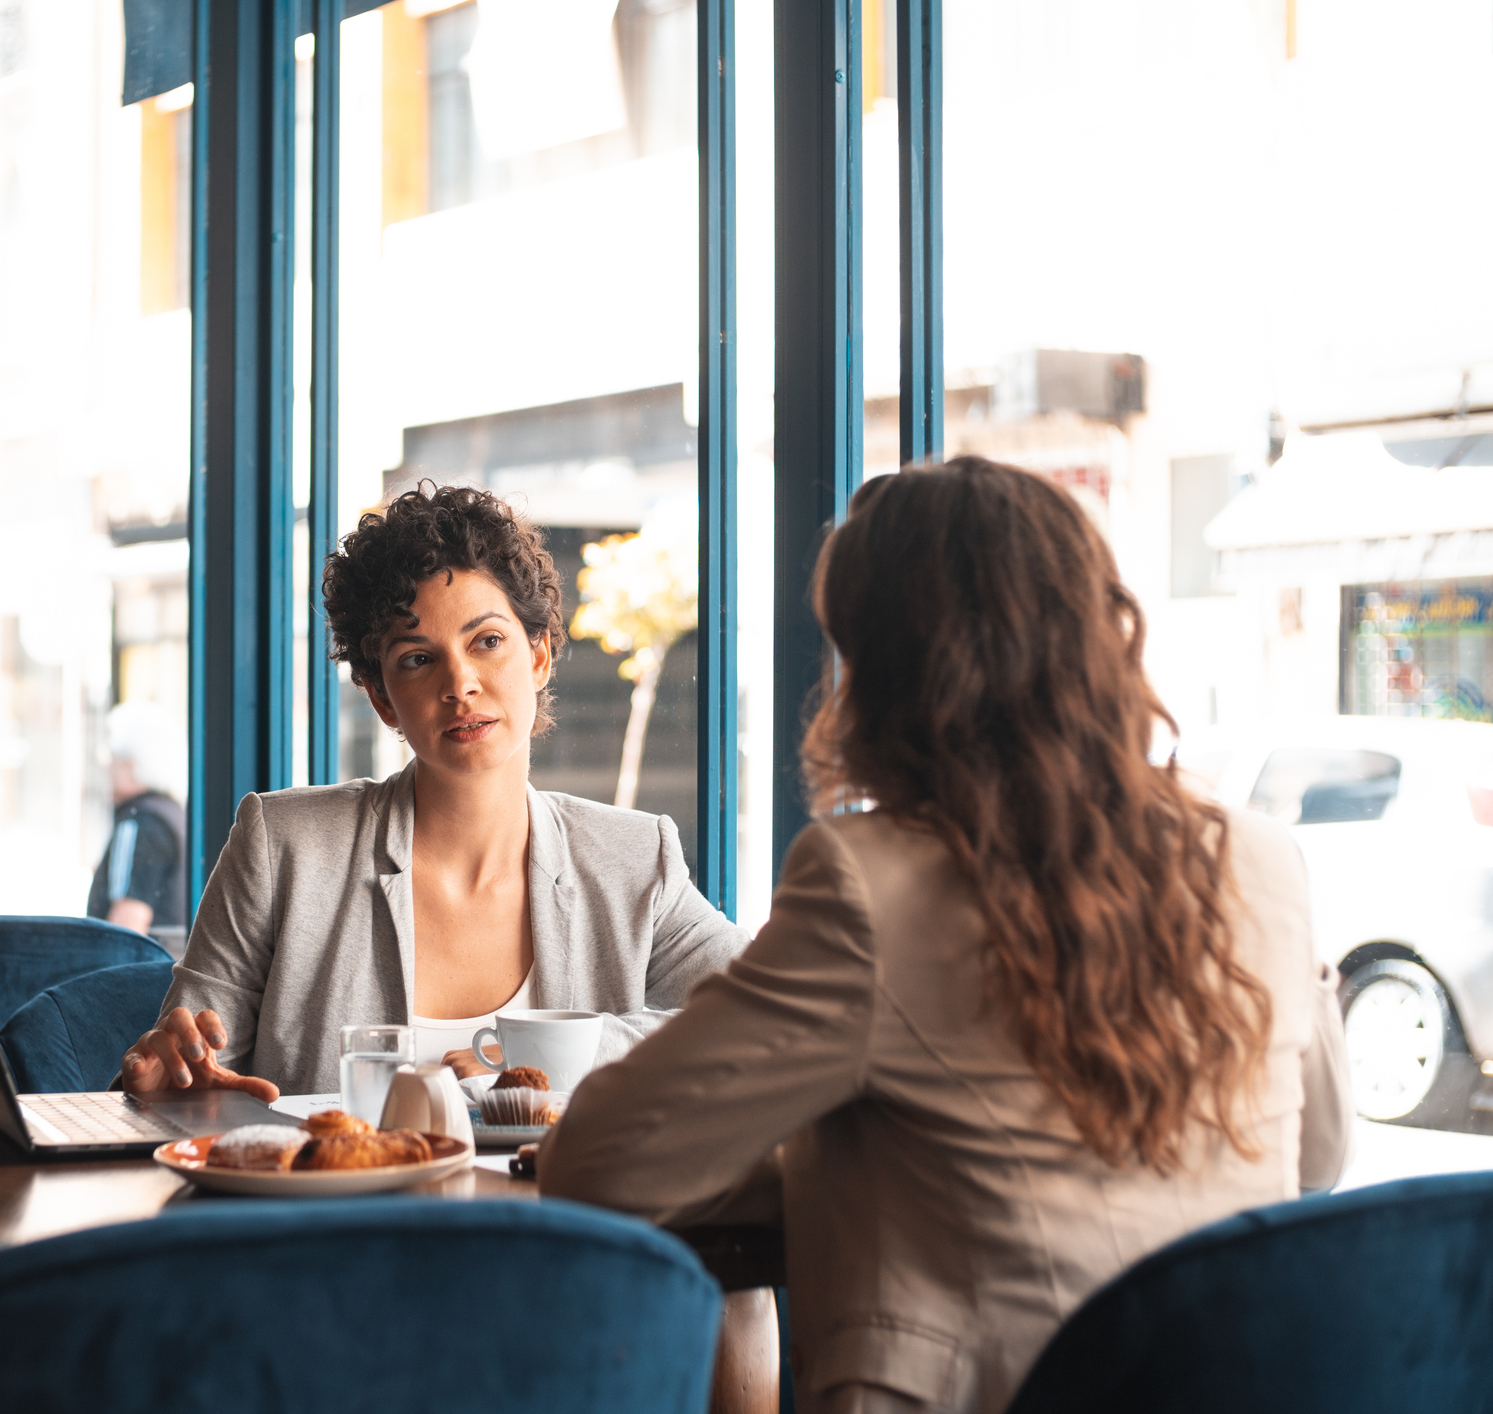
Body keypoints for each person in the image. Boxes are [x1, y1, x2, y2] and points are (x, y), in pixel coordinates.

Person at [537, 458, 1353, 1414]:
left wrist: (833, 1142)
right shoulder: (1261, 859)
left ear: (889, 673)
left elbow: (600, 1164)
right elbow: (1319, 1156)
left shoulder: (873, 884)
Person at [119, 483, 745, 1100]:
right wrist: (161, 1078)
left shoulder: (635, 859)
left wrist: (571, 1054)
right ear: (382, 698)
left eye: (488, 642)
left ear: (539, 657)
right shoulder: (284, 848)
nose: (460, 684)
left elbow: (765, 1009)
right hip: (335, 1199)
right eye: (419, 659)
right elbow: (184, 1072)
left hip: (552, 1202)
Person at [86, 701, 187, 938]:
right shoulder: (172, 814)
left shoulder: (139, 822)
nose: (107, 768)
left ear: (131, 765)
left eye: (112, 758)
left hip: (142, 970)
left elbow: (126, 925)